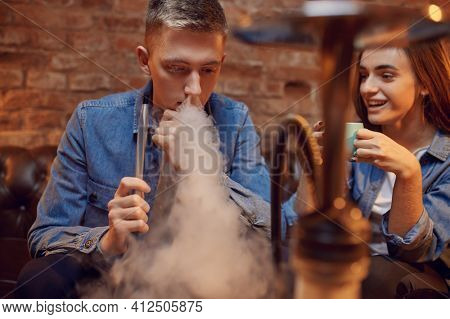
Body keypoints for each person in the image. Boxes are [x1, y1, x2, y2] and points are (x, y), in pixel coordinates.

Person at [15, 0, 296, 298]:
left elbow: (274, 232)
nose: (194, 89)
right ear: (144, 60)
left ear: (221, 64)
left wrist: (202, 171)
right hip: (111, 282)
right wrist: (107, 241)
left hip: (203, 281)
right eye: (177, 68)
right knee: (38, 279)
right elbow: (44, 236)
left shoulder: (235, 121)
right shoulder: (91, 121)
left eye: (208, 69)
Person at [315, 40, 449, 298]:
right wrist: (316, 166)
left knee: (376, 272)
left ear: (426, 84)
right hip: (349, 276)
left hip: (414, 289)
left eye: (386, 76)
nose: (367, 88)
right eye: (364, 75)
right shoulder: (353, 138)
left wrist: (408, 173)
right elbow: (307, 222)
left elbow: (415, 252)